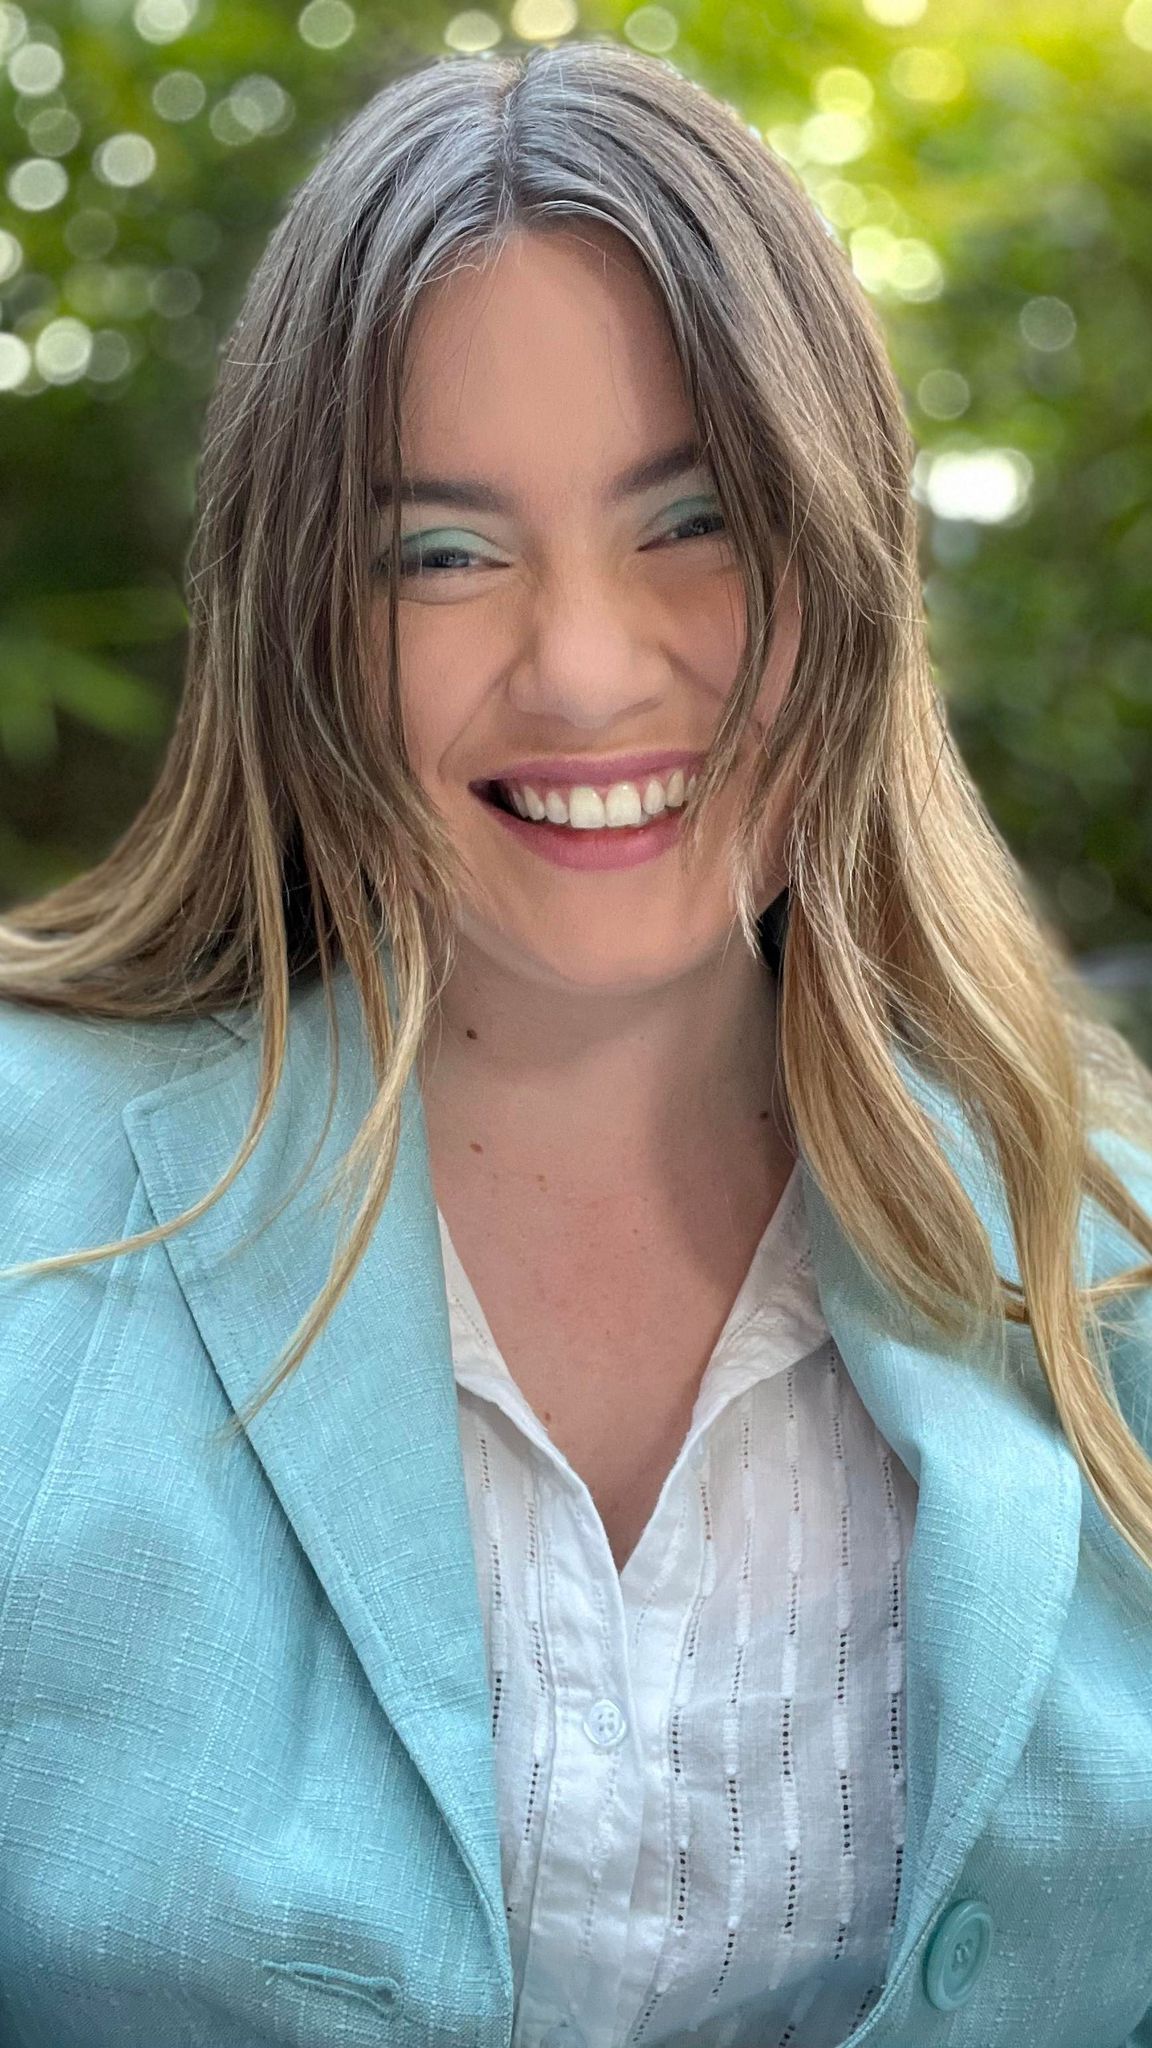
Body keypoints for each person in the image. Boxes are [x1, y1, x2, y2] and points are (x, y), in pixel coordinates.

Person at [0, 38, 1151, 2048]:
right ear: (302, 616)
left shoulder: (1107, 1244)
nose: (589, 663)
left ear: (849, 563)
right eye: (442, 551)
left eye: (694, 519)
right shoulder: (31, 1206)